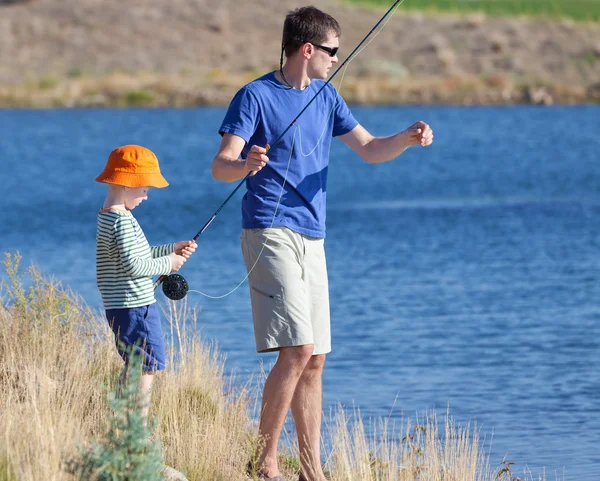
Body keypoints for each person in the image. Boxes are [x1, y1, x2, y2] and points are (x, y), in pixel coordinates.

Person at [211, 6, 434, 481]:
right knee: (295, 349)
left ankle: (312, 471)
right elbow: (220, 165)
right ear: (308, 49)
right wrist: (245, 163)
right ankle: (264, 461)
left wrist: (407, 138)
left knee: (314, 359)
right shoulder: (255, 96)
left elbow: (371, 149)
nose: (337, 58)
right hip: (269, 231)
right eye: (332, 50)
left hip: (313, 236)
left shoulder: (327, 97)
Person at [95, 144, 197, 419]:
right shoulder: (122, 221)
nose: (146, 196)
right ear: (129, 184)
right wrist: (169, 264)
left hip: (122, 306)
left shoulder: (109, 216)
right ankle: (134, 427)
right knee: (146, 365)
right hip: (135, 307)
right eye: (145, 189)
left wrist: (170, 249)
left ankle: (120, 420)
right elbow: (136, 265)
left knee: (135, 362)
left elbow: (139, 255)